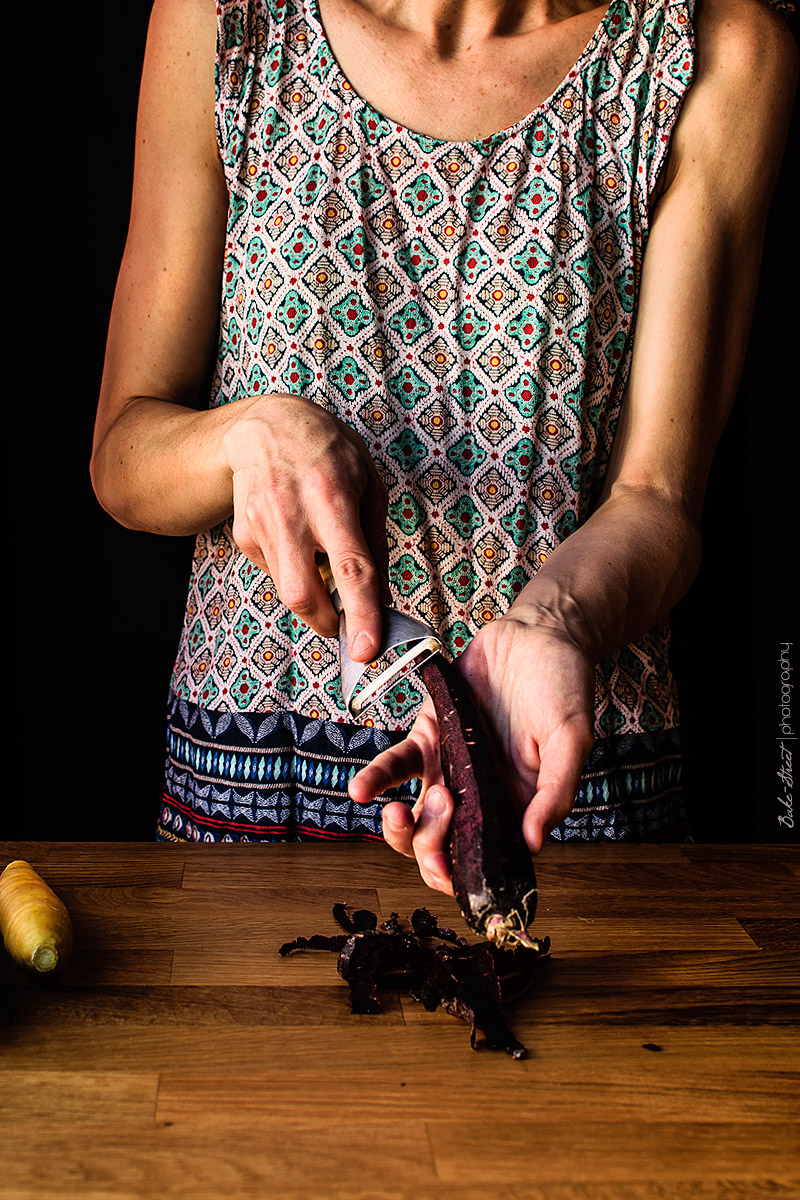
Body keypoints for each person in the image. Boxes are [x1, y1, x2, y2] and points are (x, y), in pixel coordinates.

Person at [91, 0, 797, 890]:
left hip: (558, 787)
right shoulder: (224, 20)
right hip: (248, 789)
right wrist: (245, 436)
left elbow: (659, 498)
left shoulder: (718, 51)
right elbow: (122, 455)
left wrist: (555, 621)